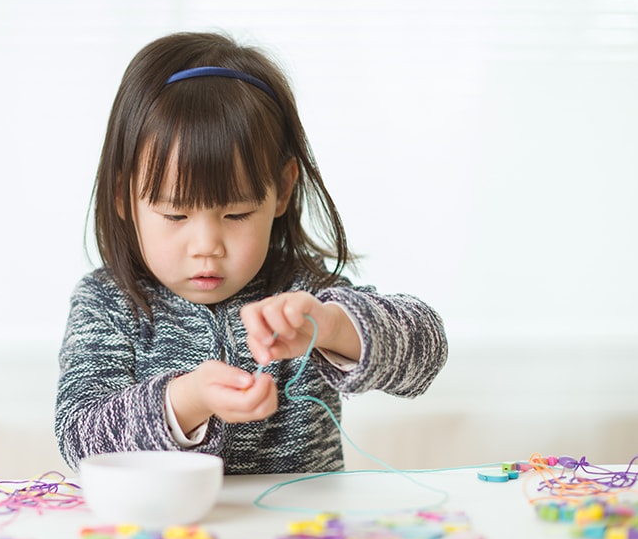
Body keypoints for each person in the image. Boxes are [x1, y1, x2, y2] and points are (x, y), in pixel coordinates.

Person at [55, 31, 447, 475]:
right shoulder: (108, 302)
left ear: (281, 191)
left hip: (300, 535)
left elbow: (426, 352)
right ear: (124, 197)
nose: (206, 246)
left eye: (237, 214)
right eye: (175, 216)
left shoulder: (303, 290)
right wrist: (189, 399)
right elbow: (79, 436)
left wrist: (334, 326)